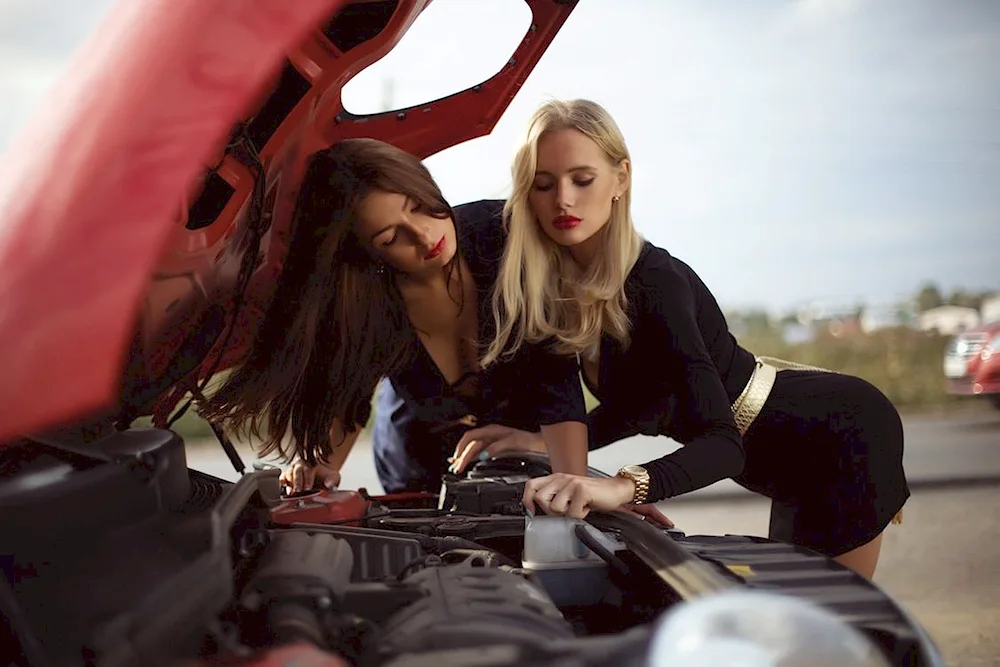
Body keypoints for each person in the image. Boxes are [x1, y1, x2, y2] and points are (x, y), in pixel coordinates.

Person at [476, 98, 909, 579]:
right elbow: (640, 407)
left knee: (827, 626)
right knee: (794, 618)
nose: (563, 200)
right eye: (543, 184)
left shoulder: (655, 281)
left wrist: (624, 487)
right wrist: (537, 439)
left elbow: (724, 444)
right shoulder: (563, 290)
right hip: (778, 459)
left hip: (835, 434)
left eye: (582, 179)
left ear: (620, 179)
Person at [199, 138, 589, 495]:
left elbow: (555, 370)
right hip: (412, 460)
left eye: (418, 206)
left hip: (530, 445)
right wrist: (314, 467)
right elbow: (349, 394)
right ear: (366, 256)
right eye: (390, 238)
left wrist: (572, 481)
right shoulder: (368, 304)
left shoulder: (506, 237)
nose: (423, 235)